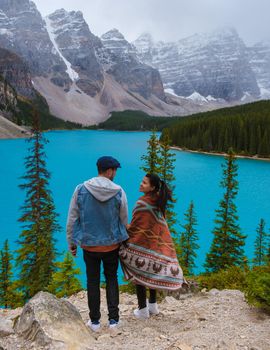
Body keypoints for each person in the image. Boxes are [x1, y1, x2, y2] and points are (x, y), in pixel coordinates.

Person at [66, 156, 128, 331]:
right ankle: (114, 321)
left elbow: (72, 218)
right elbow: (124, 218)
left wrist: (72, 241)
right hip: (111, 246)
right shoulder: (119, 191)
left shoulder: (81, 189)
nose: (115, 173)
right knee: (111, 279)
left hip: (90, 246)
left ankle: (94, 322)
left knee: (92, 281)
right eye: (115, 170)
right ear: (109, 171)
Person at [119, 173, 185, 319]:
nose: (141, 184)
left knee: (139, 271)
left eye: (144, 183)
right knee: (153, 271)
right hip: (157, 246)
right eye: (142, 181)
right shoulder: (158, 202)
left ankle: (142, 310)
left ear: (152, 187)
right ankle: (153, 306)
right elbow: (158, 226)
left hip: (142, 244)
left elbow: (136, 228)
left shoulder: (142, 203)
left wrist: (123, 229)